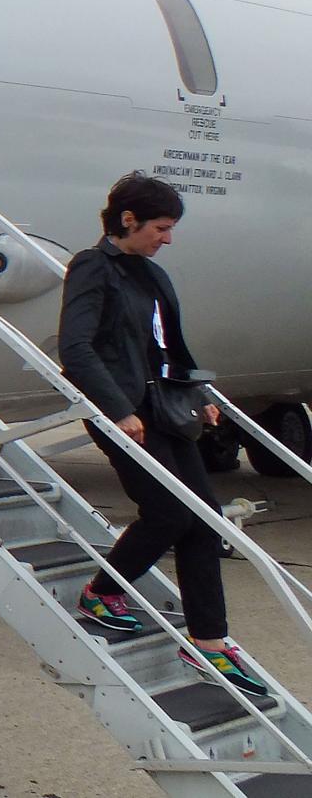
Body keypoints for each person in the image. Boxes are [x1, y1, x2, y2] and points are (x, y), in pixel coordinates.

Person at [58, 172, 265, 696]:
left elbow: (171, 348)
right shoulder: (92, 268)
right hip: (121, 413)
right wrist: (118, 409)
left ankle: (209, 643)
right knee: (169, 512)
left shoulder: (150, 276)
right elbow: (77, 347)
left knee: (204, 518)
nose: (167, 238)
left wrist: (201, 399)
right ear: (128, 220)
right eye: (161, 227)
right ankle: (100, 594)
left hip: (167, 409)